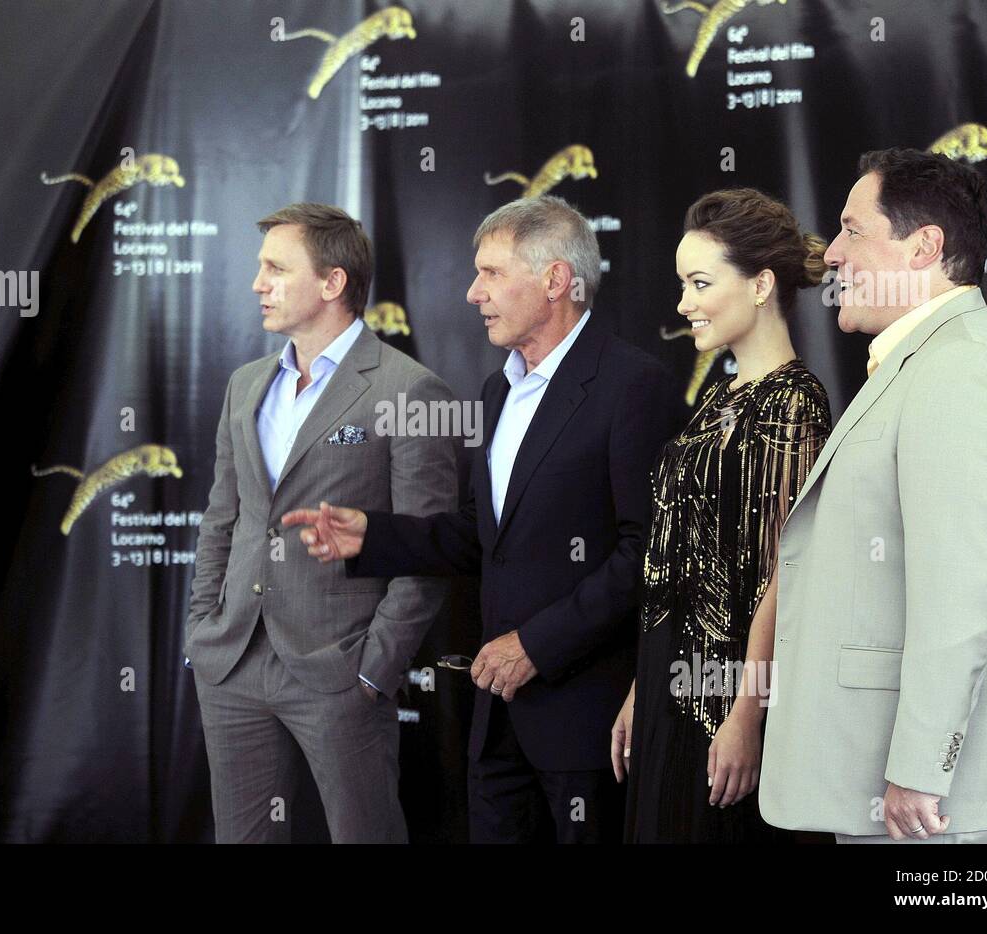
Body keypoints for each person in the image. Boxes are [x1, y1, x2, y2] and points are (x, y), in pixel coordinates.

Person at [284, 195, 680, 843]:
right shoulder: (498, 390)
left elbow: (648, 556)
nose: (472, 293)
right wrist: (374, 534)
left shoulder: (633, 385)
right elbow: (479, 534)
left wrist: (536, 646)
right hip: (495, 721)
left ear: (556, 279)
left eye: (491, 273)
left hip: (588, 722)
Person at [760, 149, 987, 843]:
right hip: (904, 796)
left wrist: (922, 769)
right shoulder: (933, 360)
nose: (831, 253)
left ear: (923, 247)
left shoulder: (961, 371)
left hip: (932, 809)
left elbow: (962, 593)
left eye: (853, 230)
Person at [184, 202, 458, 843]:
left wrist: (373, 670)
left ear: (333, 282)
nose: (258, 283)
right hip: (232, 662)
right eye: (261, 268)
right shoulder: (245, 385)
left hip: (340, 669)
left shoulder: (410, 390)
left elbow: (426, 548)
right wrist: (203, 628)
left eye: (276, 268)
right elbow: (223, 516)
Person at [610, 189, 832, 842]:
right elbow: (675, 559)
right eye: (683, 283)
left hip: (726, 692)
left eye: (700, 283)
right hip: (668, 679)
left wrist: (747, 713)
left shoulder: (794, 403)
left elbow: (782, 573)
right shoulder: (718, 390)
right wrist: (640, 687)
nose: (683, 303)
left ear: (761, 284)